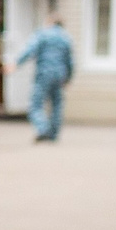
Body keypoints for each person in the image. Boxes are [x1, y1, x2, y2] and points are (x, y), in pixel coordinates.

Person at [16, 11, 75, 141]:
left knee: (36, 104)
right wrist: (69, 78)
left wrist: (16, 63)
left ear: (50, 22)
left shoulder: (43, 34)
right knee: (57, 104)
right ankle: (53, 134)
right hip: (60, 75)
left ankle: (43, 129)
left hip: (44, 73)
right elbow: (70, 61)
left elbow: (29, 50)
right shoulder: (66, 38)